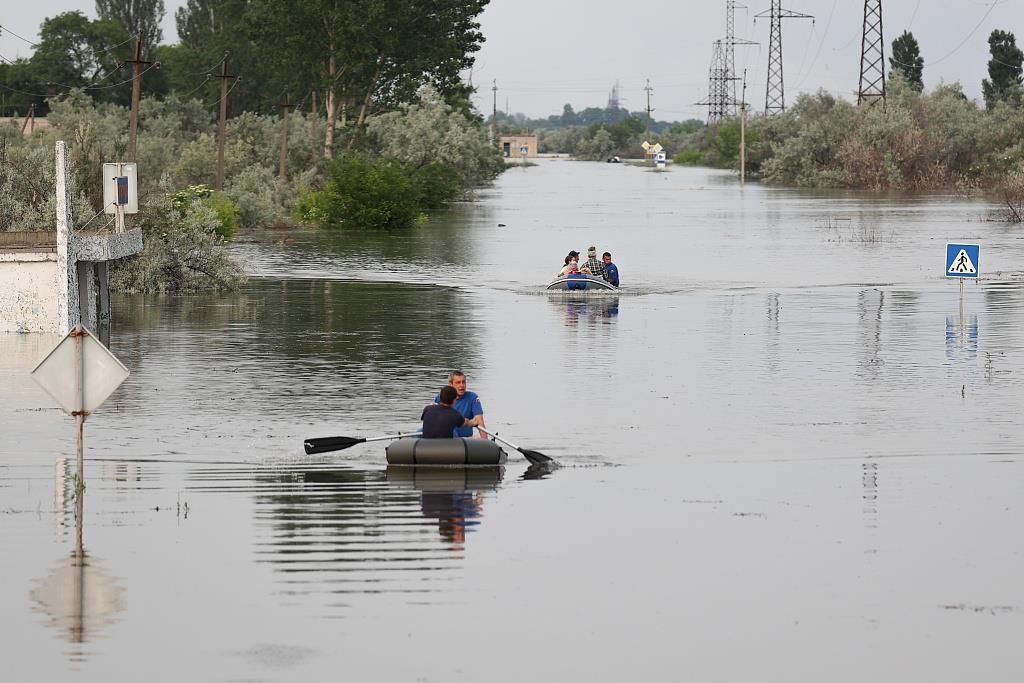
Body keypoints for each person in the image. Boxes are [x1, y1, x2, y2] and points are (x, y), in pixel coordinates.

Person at [433, 370, 486, 438]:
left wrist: (485, 441)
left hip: (465, 440)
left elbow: (479, 421)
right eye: (458, 382)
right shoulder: (441, 397)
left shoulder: (473, 397)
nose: (462, 385)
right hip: (446, 438)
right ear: (450, 385)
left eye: (463, 382)